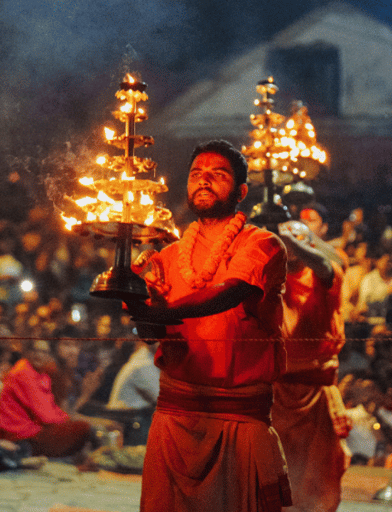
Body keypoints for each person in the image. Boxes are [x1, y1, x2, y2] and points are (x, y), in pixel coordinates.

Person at [126, 140, 291, 512]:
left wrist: (163, 314)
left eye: (218, 175)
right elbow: (152, 335)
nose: (204, 181)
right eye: (197, 174)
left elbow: (228, 293)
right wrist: (135, 298)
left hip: (238, 415)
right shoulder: (166, 255)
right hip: (176, 412)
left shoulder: (263, 244)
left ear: (241, 192)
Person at [271, 218, 350, 512]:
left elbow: (324, 268)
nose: (289, 251)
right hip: (276, 392)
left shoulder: (325, 275)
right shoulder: (271, 276)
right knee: (274, 473)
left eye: (296, 244)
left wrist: (299, 246)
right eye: (285, 244)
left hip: (315, 394)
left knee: (317, 481)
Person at [0, 338, 93, 458]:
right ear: (28, 352)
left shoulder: (42, 373)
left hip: (33, 431)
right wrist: (69, 420)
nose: (39, 355)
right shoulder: (24, 371)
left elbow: (52, 408)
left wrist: (66, 419)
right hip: (20, 436)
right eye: (35, 350)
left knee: (80, 429)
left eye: (44, 352)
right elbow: (46, 416)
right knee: (83, 428)